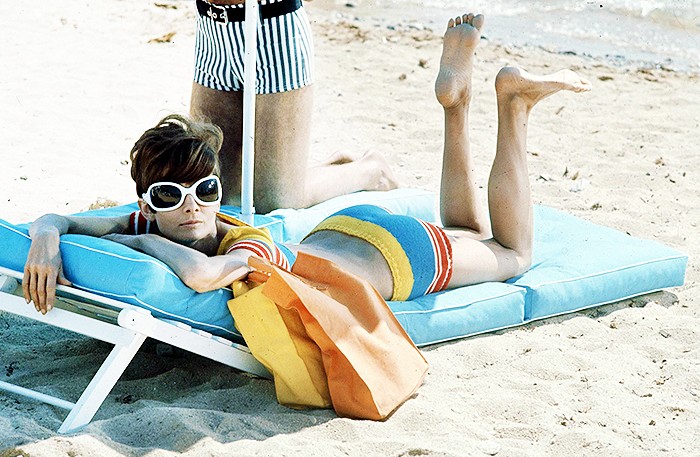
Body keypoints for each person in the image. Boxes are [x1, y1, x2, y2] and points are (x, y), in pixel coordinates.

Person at [23, 13, 591, 314]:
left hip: (391, 255)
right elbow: (57, 220)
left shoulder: (223, 243)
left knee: (513, 255)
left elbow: (201, 275)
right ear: (147, 204)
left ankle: (512, 104)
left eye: (208, 190)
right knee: (469, 230)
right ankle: (456, 103)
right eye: (171, 196)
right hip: (352, 240)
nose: (192, 207)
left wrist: (142, 239)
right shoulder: (181, 227)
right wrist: (48, 232)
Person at [191, 0, 398, 212]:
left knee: (273, 203)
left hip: (272, 30)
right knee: (207, 183)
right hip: (212, 32)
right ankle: (324, 169)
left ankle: (371, 171)